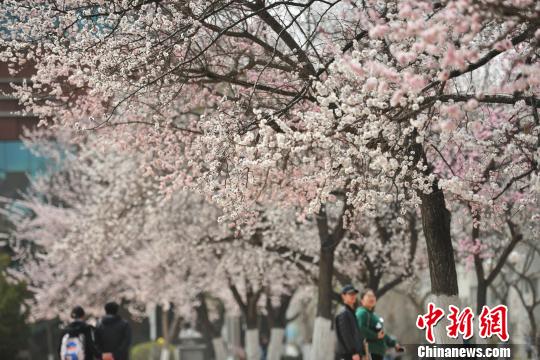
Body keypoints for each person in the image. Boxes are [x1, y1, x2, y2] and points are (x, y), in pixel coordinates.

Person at [356, 289, 403, 360]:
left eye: (373, 296)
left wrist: (394, 344)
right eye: (369, 296)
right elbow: (360, 329)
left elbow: (382, 333)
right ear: (362, 300)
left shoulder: (373, 315)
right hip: (369, 352)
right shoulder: (362, 313)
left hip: (377, 353)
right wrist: (376, 336)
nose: (372, 298)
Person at [335, 284, 366, 360]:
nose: (353, 296)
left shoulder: (351, 313)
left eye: (354, 294)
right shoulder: (344, 313)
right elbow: (346, 335)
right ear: (343, 296)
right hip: (349, 356)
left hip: (355, 355)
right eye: (350, 294)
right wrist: (353, 352)